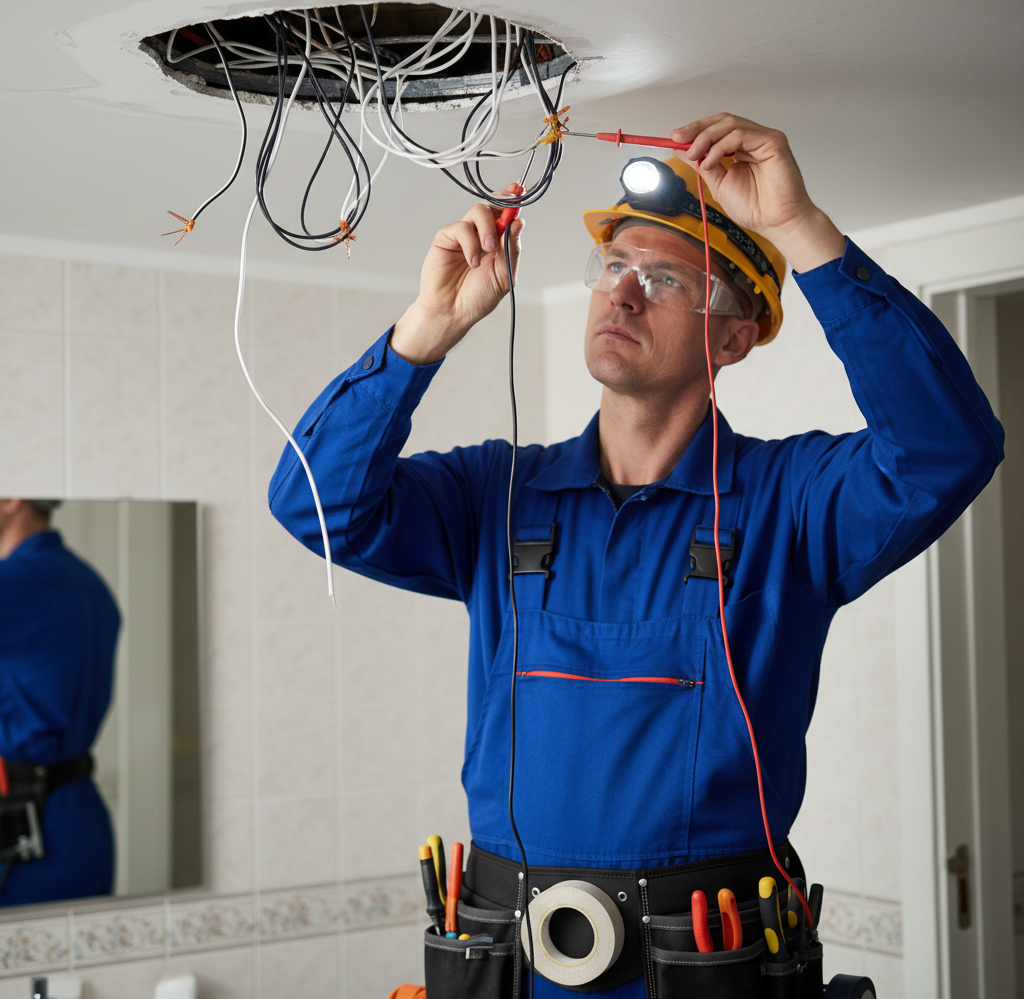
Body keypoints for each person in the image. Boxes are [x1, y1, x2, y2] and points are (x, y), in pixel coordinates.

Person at [269, 114, 1003, 998]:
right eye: (612, 267)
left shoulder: (791, 504)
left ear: (733, 337)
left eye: (663, 279)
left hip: (707, 966)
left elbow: (947, 449)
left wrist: (802, 229)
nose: (621, 294)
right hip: (510, 965)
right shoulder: (494, 497)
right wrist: (424, 330)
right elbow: (314, 502)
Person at [0, 498, 118, 905]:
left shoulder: (15, 583)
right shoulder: (88, 582)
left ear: (12, 499)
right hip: (78, 815)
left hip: (24, 823)